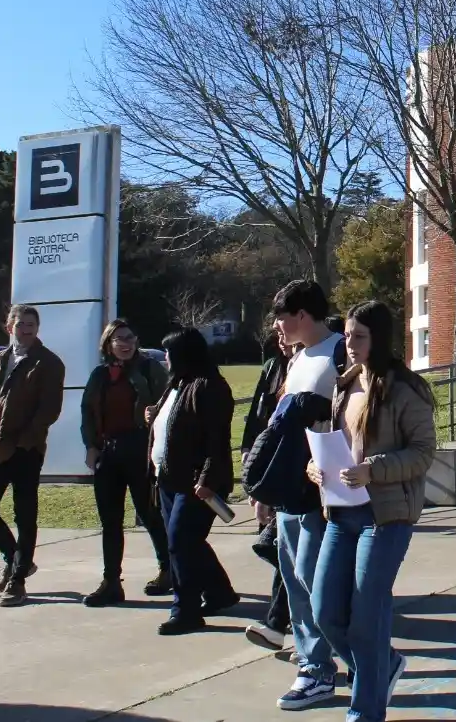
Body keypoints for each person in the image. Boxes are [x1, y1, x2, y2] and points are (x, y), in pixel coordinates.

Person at [308, 301, 435, 719]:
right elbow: (340, 445)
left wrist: (372, 470)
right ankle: (384, 665)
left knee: (367, 620)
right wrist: (318, 467)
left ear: (378, 338)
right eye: (346, 336)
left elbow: (421, 453)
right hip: (340, 514)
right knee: (325, 612)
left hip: (385, 517)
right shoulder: (344, 385)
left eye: (359, 336)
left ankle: (365, 711)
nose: (350, 344)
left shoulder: (405, 389)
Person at [263, 279, 343, 707]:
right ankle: (313, 662)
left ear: (301, 315)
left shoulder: (338, 353)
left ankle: (323, 668)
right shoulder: (296, 360)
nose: (277, 323)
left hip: (322, 489)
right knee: (295, 579)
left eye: (281, 315)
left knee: (318, 582)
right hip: (288, 486)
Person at [0, 304, 65, 608]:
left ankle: (18, 580)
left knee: (24, 516)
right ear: (9, 326)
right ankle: (16, 560)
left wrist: (20, 442)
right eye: (20, 324)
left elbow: (48, 411)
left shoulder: (48, 363)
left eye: (31, 325)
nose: (25, 330)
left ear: (37, 329)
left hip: (26, 450)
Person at [148, 327, 237, 636]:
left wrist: (208, 478)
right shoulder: (178, 383)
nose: (165, 359)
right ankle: (219, 593)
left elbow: (217, 439)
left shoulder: (210, 386)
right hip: (169, 477)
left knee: (179, 542)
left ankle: (185, 611)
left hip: (196, 483)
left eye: (169, 353)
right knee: (188, 542)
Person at [80, 319, 172, 607]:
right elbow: (87, 412)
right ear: (108, 343)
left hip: (140, 449)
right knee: (110, 520)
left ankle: (169, 570)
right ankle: (111, 582)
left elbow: (169, 403)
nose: (125, 343)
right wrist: (91, 447)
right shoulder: (100, 375)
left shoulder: (149, 368)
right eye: (118, 339)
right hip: (109, 452)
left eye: (130, 338)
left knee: (149, 513)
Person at [242, 330, 293, 650]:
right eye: (276, 332)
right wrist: (250, 448)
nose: (282, 337)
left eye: (284, 328)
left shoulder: (314, 366)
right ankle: (280, 621)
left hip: (290, 471)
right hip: (269, 464)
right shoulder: (273, 367)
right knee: (283, 550)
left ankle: (278, 621)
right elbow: (259, 414)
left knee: (282, 548)